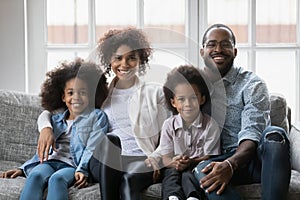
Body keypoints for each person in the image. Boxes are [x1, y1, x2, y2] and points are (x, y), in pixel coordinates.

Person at [35, 27, 170, 200]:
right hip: (104, 161)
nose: (124, 64)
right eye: (118, 58)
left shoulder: (155, 93)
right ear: (109, 60)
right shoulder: (101, 95)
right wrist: (46, 128)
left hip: (140, 158)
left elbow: (170, 132)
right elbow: (54, 112)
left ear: (140, 61)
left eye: (131, 58)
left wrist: (157, 157)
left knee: (128, 179)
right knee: (110, 140)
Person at [193, 23, 291, 200]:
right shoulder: (194, 86)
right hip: (218, 158)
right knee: (202, 169)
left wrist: (230, 164)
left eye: (225, 44)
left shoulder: (252, 84)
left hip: (255, 159)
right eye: (211, 44)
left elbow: (251, 132)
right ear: (202, 52)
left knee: (275, 134)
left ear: (235, 51)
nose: (218, 49)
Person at [0, 59, 109, 200]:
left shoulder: (97, 116)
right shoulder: (56, 119)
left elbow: (92, 147)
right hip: (50, 162)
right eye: (71, 93)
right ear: (63, 97)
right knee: (36, 175)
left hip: (72, 165)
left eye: (82, 92)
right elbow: (42, 148)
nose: (76, 97)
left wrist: (82, 169)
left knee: (57, 179)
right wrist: (22, 169)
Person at [158, 65, 221, 200]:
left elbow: (210, 157)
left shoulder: (210, 125)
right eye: (181, 99)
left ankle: (193, 197)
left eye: (193, 97)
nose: (188, 104)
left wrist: (191, 162)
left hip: (196, 168)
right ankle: (172, 197)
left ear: (202, 99)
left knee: (188, 175)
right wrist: (174, 162)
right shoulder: (169, 125)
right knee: (171, 174)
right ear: (173, 102)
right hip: (175, 167)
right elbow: (165, 159)